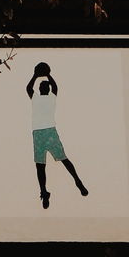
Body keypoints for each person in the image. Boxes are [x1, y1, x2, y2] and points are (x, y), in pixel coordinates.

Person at [26, 62, 88, 210]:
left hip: (49, 131)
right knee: (40, 165)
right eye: (43, 86)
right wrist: (37, 75)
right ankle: (44, 192)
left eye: (45, 86)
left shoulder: (52, 97)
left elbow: (54, 86)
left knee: (63, 158)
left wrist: (46, 74)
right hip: (38, 133)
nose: (44, 87)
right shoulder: (35, 98)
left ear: (47, 89)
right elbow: (28, 88)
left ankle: (77, 181)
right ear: (40, 89)